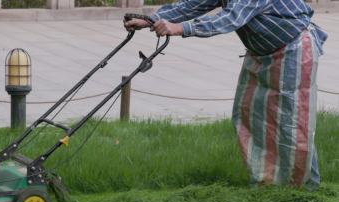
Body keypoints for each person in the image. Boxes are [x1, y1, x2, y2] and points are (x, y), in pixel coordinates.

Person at [125, 0, 328, 189]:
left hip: (294, 47)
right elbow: (193, 4)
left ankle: (302, 188)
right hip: (260, 53)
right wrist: (150, 19)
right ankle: (266, 183)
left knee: (290, 122)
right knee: (250, 115)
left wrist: (180, 28)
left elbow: (230, 18)